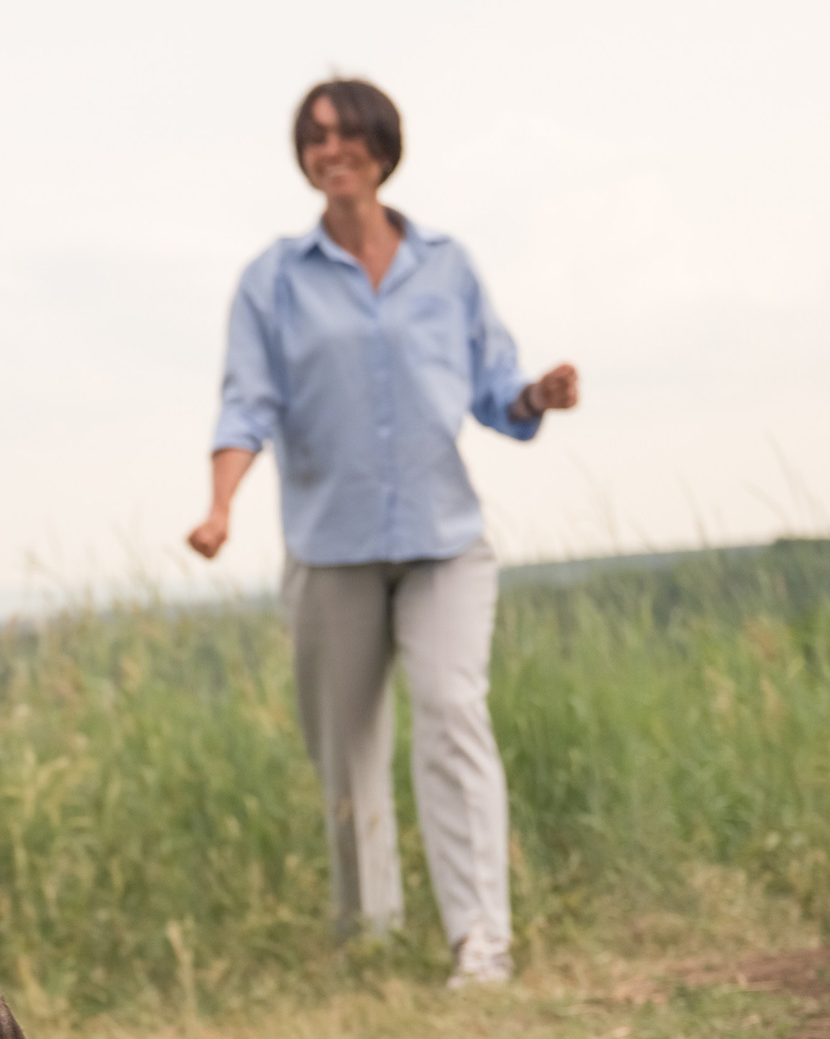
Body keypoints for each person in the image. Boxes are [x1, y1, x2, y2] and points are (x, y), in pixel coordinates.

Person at [187, 77, 577, 989]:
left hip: (446, 541)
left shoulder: (447, 266)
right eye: (315, 137)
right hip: (332, 548)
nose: (333, 149)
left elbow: (498, 394)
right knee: (348, 751)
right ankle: (371, 939)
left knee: (452, 715)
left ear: (383, 146)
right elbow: (247, 404)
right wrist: (221, 505)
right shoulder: (272, 281)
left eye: (349, 133)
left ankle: (481, 943)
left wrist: (539, 397)